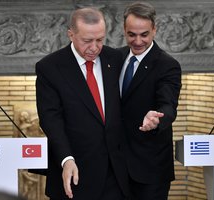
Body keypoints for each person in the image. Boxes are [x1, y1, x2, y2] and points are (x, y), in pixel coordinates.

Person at [35, 7, 129, 200]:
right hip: (74, 174)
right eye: (87, 41)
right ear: (71, 34)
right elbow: (50, 120)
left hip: (115, 176)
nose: (94, 47)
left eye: (100, 40)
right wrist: (66, 159)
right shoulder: (50, 67)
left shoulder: (116, 59)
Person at [119, 2, 182, 200]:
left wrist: (157, 119)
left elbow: (168, 106)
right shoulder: (114, 58)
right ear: (124, 30)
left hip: (149, 170)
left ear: (155, 30)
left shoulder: (167, 65)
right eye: (131, 34)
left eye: (144, 34)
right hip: (115, 167)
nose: (137, 41)